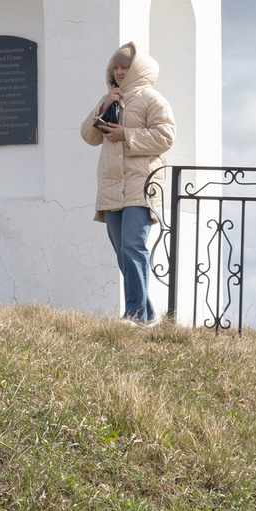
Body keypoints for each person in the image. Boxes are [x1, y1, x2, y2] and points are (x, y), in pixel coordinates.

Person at [80, 41, 176, 324]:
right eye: (116, 68)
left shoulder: (153, 99)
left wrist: (127, 134)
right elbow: (89, 136)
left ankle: (134, 315)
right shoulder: (109, 98)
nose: (120, 72)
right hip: (112, 186)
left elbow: (166, 137)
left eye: (125, 67)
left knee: (133, 247)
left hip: (140, 186)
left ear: (138, 69)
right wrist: (105, 103)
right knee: (123, 253)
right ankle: (148, 315)